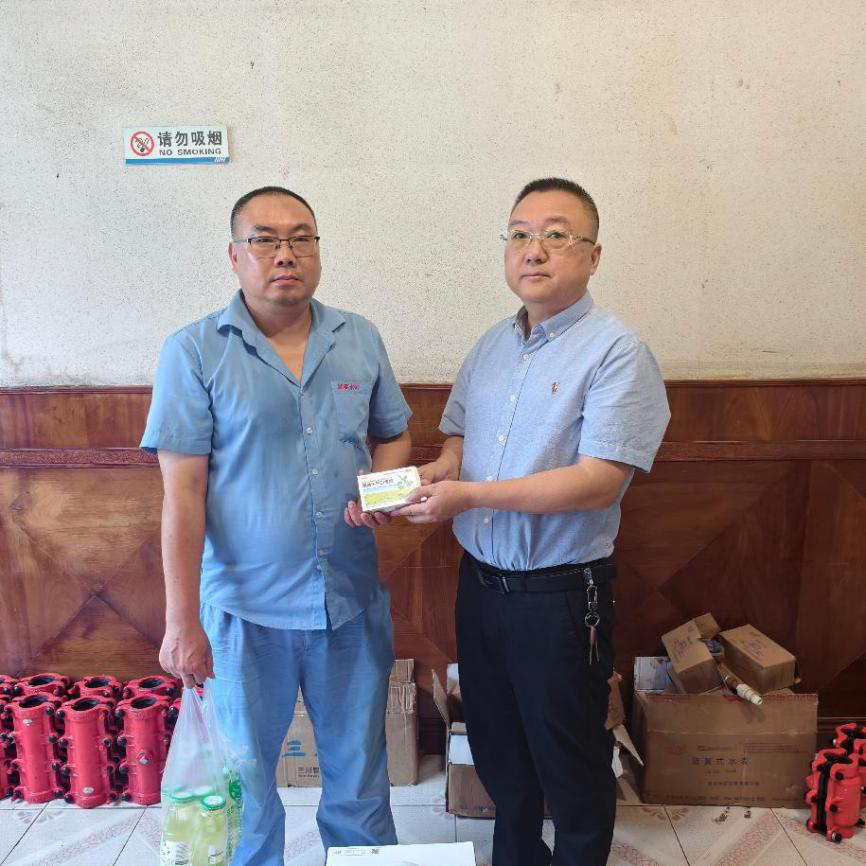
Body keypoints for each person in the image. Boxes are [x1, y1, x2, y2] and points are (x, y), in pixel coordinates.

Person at [394, 178, 670, 866]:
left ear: (593, 256)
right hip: (481, 587)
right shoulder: (492, 345)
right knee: (498, 750)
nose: (534, 249)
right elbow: (458, 436)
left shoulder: (617, 351)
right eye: (520, 234)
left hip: (561, 596)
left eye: (556, 234)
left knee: (570, 761)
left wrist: (469, 496)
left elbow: (598, 481)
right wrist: (441, 470)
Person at [141, 185, 411, 864]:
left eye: (301, 238)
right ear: (235, 255)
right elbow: (182, 496)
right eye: (264, 239)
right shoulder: (194, 351)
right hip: (242, 614)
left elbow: (394, 436)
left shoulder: (359, 337)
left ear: (318, 250)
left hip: (348, 601)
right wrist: (181, 623)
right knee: (247, 791)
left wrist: (381, 491)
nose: (284, 253)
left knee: (360, 780)